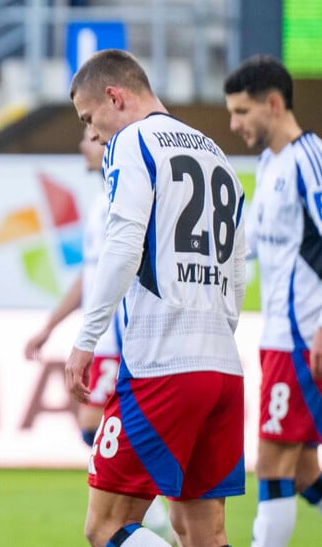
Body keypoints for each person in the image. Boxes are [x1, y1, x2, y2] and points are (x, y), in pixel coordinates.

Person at [63, 48, 247, 547]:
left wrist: (86, 339)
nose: (95, 135)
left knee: (104, 526)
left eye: (89, 119)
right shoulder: (215, 152)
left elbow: (121, 245)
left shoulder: (132, 142)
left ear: (114, 96)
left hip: (162, 363)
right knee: (202, 533)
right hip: (223, 367)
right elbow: (238, 265)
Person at [224, 56, 322, 547]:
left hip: (305, 339)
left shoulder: (312, 158)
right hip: (279, 338)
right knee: (304, 473)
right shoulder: (270, 163)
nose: (234, 124)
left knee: (271, 465)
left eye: (242, 111)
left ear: (274, 104)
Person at [25, 125, 173, 544]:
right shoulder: (98, 201)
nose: (83, 144)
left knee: (97, 422)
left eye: (91, 135)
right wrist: (51, 327)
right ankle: (155, 509)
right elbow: (91, 275)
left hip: (123, 339)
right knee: (94, 425)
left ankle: (155, 509)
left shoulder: (126, 196)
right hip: (103, 338)